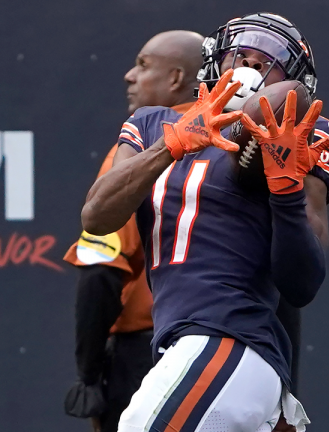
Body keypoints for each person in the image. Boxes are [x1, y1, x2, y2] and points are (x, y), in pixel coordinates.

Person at [81, 12, 329, 432]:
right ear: (214, 63)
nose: (252, 65)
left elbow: (302, 284)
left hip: (231, 342)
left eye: (268, 61)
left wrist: (285, 188)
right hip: (180, 346)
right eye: (241, 54)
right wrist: (172, 145)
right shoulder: (151, 123)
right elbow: (96, 217)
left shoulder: (306, 134)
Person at [63, 30, 205, 432]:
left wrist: (89, 376)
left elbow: (100, 271)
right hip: (233, 352)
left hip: (149, 353)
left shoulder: (138, 151)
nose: (129, 76)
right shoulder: (239, 147)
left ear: (176, 78)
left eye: (142, 65)